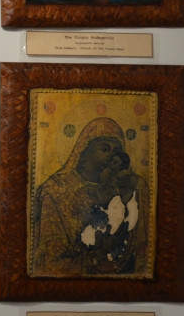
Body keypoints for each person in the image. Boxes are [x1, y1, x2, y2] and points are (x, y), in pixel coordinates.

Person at [31, 116, 151, 277]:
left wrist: (137, 186)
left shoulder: (127, 186)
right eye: (105, 149)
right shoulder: (54, 191)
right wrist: (99, 253)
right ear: (83, 151)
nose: (111, 156)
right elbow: (49, 263)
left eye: (116, 153)